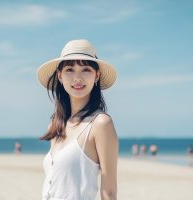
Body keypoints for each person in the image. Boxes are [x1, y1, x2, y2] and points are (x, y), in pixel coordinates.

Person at [37, 39, 118, 200]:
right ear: (59, 75)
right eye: (69, 69)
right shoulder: (56, 124)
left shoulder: (100, 124)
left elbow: (109, 192)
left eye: (86, 69)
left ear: (97, 75)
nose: (77, 78)